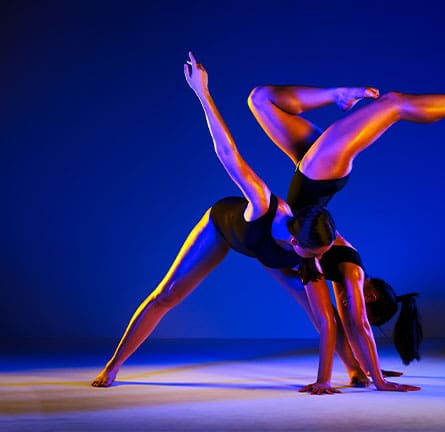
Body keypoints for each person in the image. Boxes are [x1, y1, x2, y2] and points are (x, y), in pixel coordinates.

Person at [92, 53, 341, 395]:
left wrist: (327, 380)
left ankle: (355, 370)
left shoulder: (311, 248)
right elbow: (229, 154)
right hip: (224, 228)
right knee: (165, 295)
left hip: (269, 252)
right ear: (296, 240)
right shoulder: (265, 205)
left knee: (319, 310)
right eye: (312, 253)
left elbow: (327, 321)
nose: (315, 261)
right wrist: (203, 93)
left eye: (320, 254)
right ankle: (113, 364)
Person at [247, 83, 445, 388]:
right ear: (370, 295)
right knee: (393, 105)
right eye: (361, 305)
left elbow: (345, 327)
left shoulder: (330, 275)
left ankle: (337, 95)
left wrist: (360, 372)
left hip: (312, 179)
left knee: (262, 99)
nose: (353, 307)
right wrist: (377, 378)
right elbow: (357, 326)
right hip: (318, 178)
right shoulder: (349, 272)